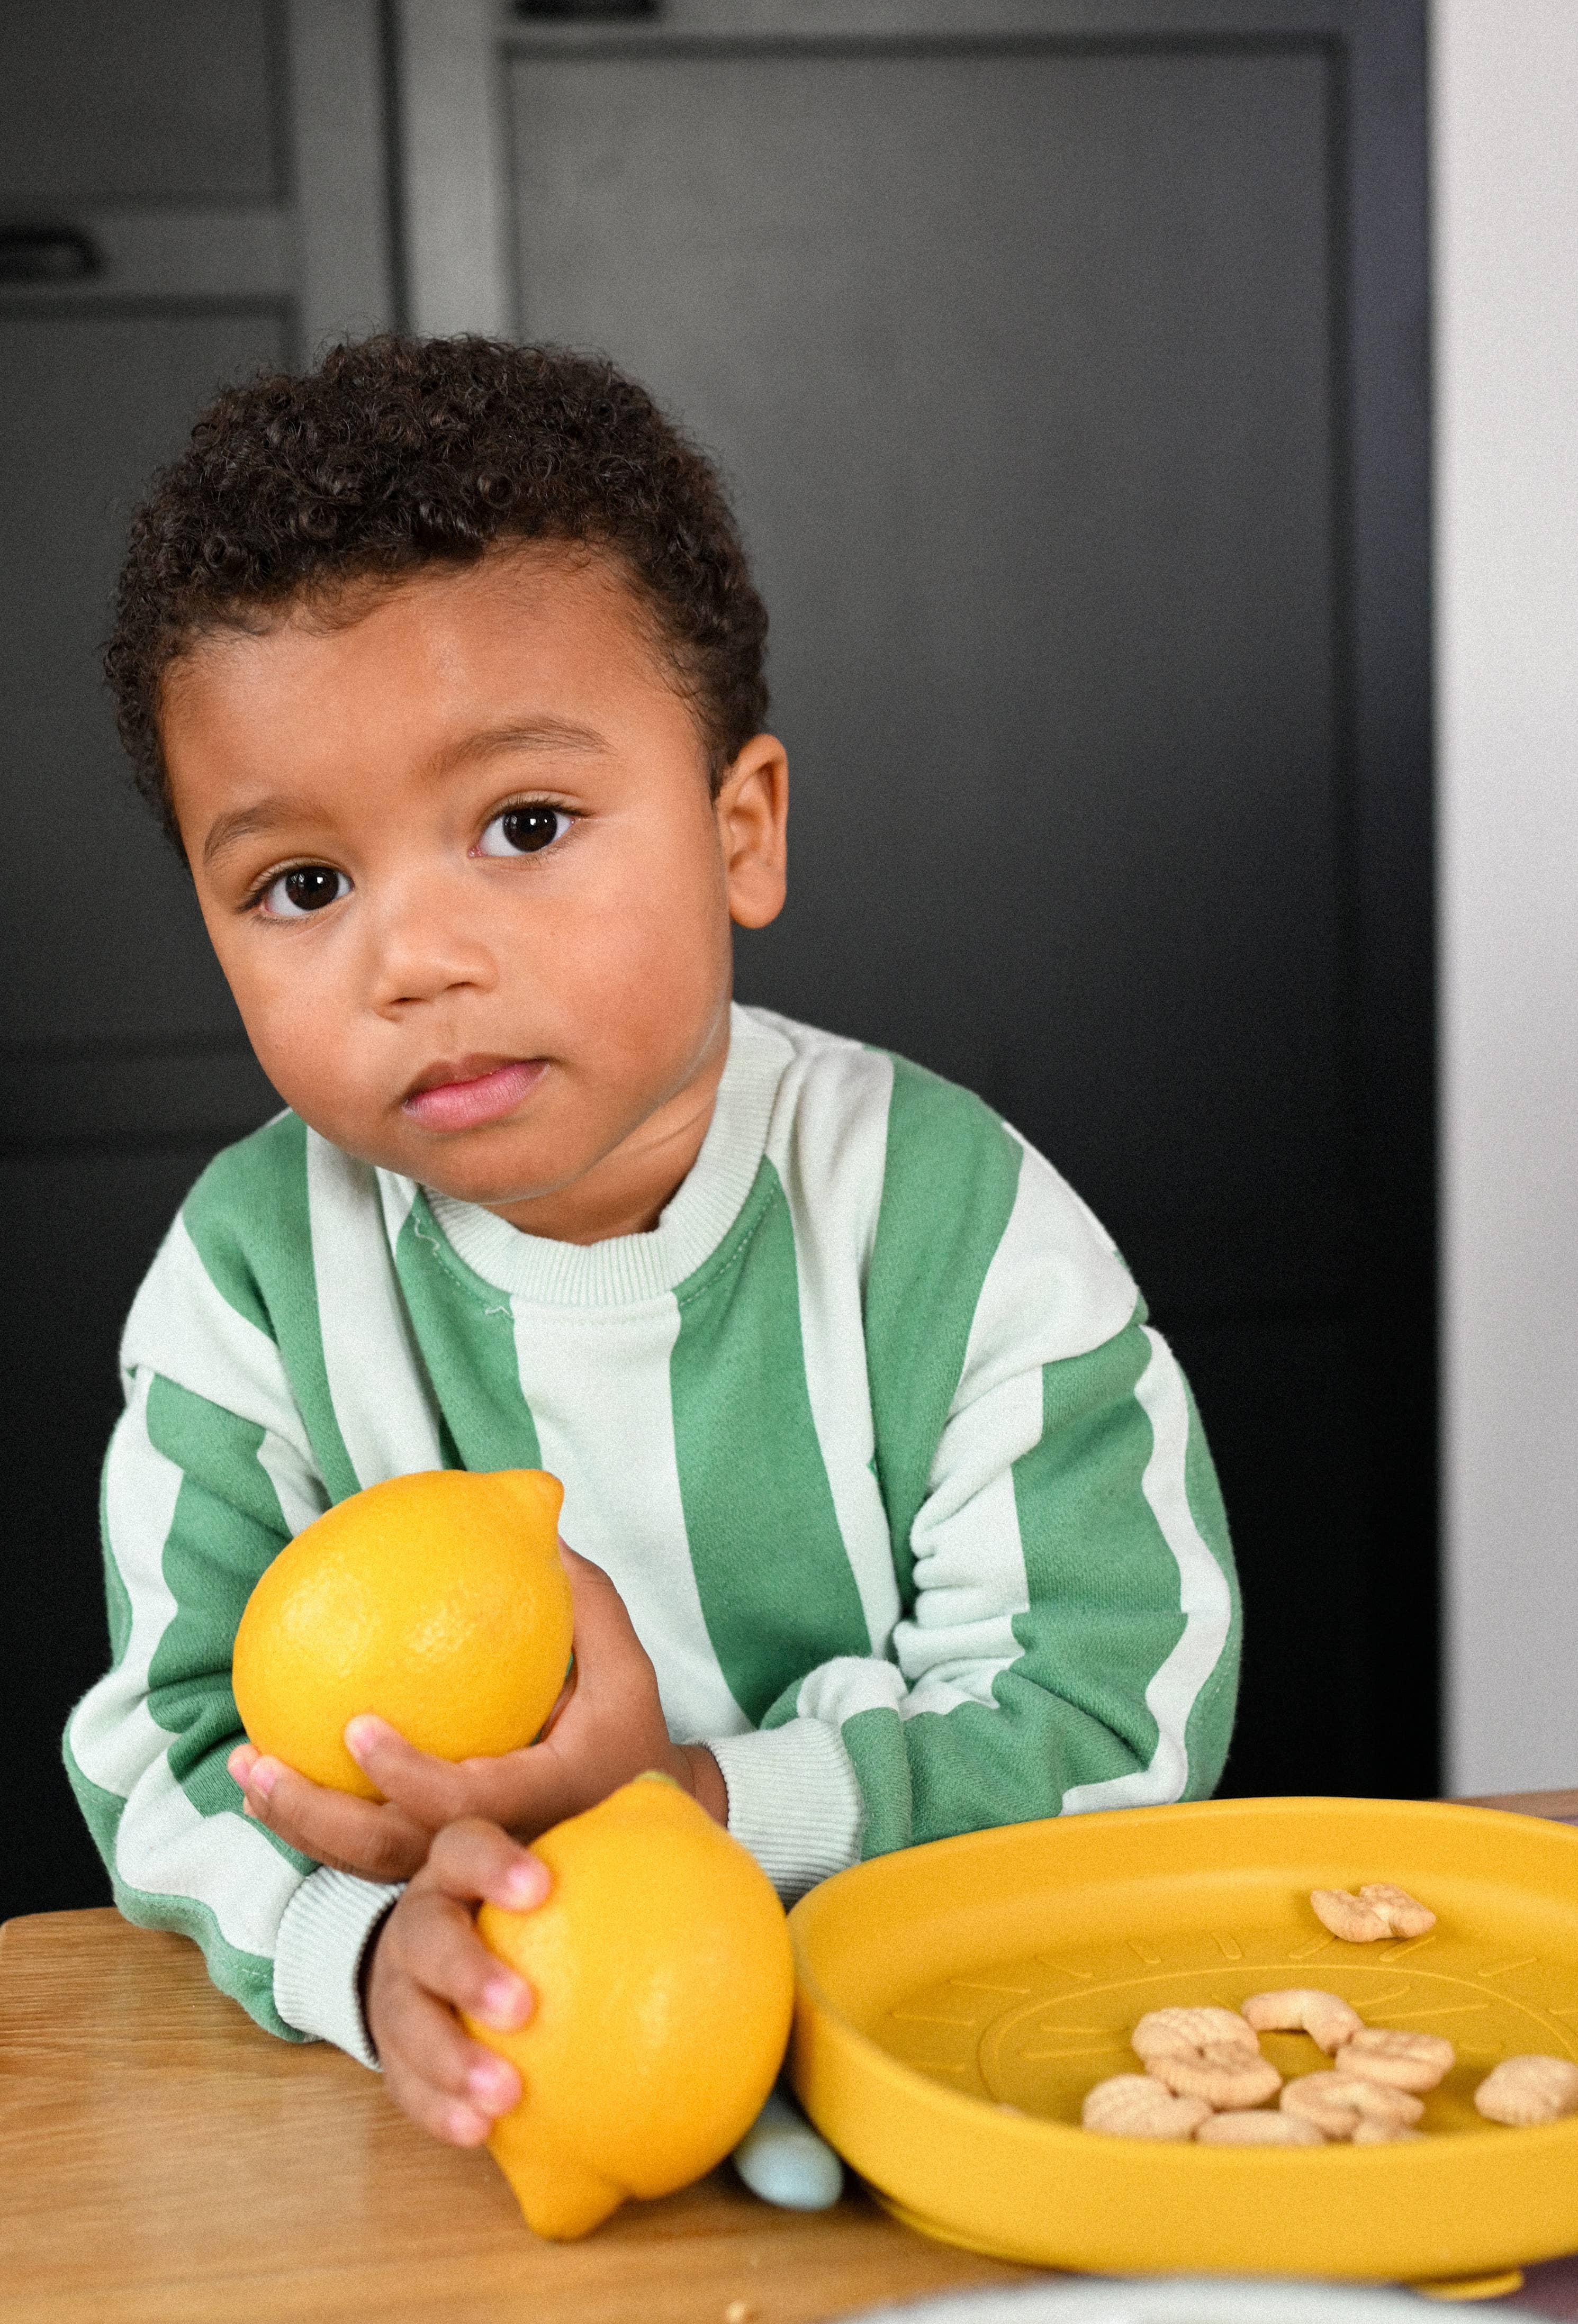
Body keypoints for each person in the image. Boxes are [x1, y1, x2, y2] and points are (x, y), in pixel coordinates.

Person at [65, 336, 1241, 2154]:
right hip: (501, 2112)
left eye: (524, 826)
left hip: (944, 2081)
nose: (415, 959)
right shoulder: (251, 1279)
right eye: (304, 884)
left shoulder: (951, 1222)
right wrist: (363, 1946)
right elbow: (171, 1746)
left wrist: (697, 1800)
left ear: (738, 830)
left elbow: (1116, 1710)